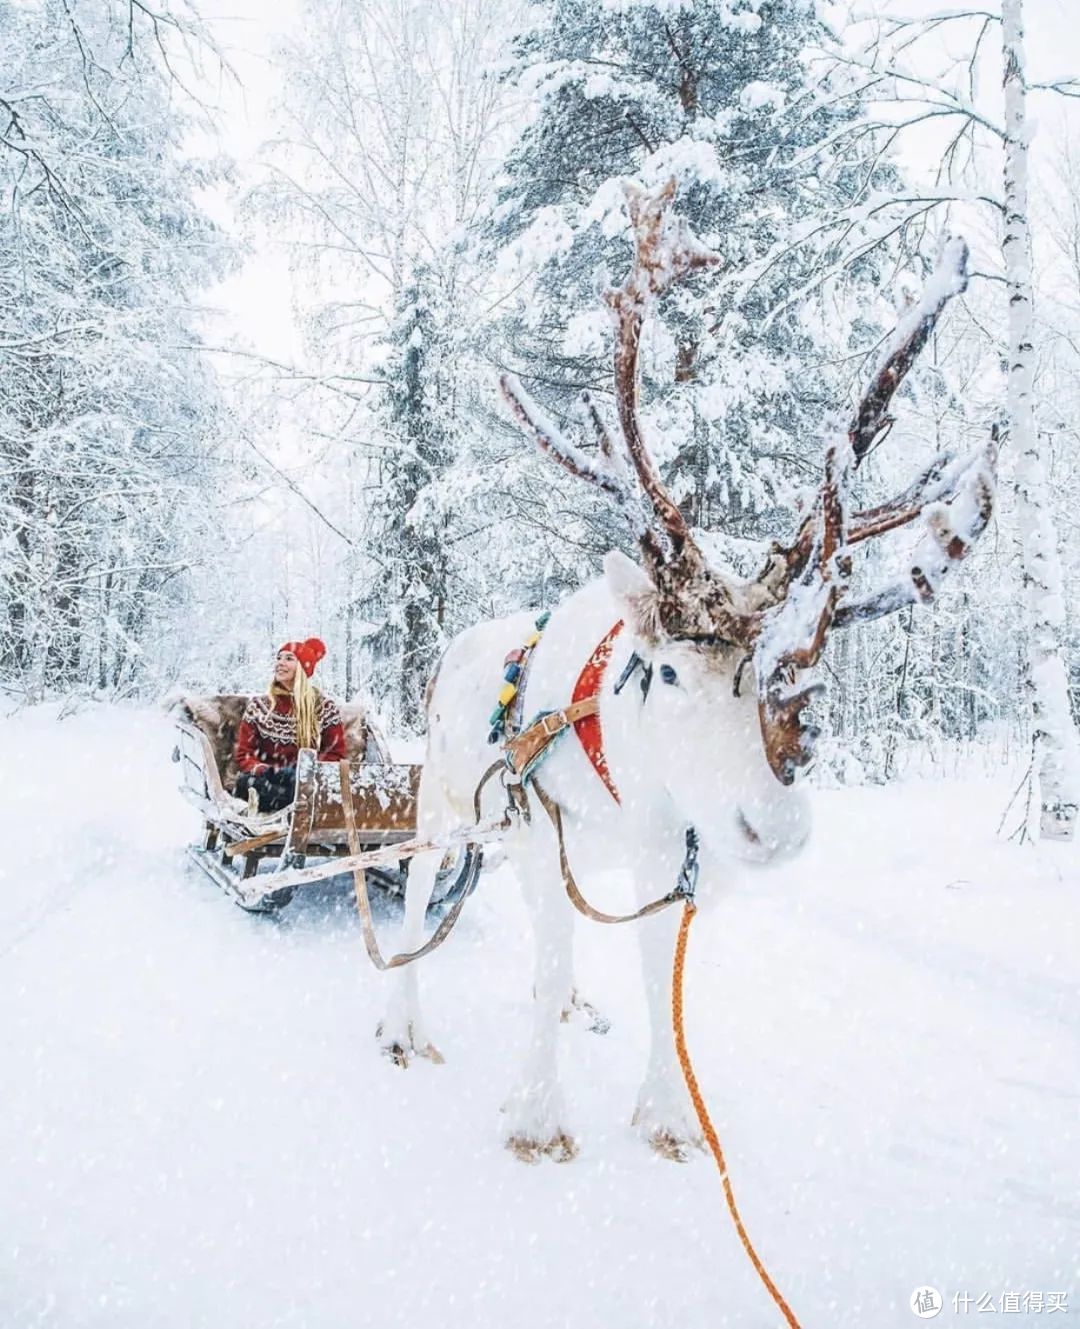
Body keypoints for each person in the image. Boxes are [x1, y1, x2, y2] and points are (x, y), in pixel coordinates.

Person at [234, 637, 346, 813]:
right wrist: (266, 771)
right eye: (279, 658)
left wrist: (302, 772)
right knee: (246, 784)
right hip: (267, 781)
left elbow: (335, 754)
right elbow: (244, 754)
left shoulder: (323, 707)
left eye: (288, 658)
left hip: (303, 781)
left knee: (305, 789)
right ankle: (293, 806)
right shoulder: (259, 706)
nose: (280, 663)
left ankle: (295, 804)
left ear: (303, 668)